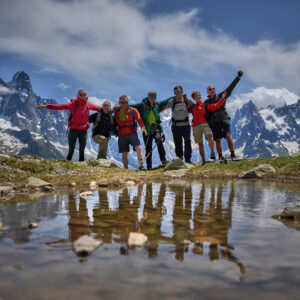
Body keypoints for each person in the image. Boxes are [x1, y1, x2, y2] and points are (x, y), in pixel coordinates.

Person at [37, 89, 100, 161]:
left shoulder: (88, 104)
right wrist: (45, 106)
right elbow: (60, 107)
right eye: (81, 94)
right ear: (78, 96)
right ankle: (68, 163)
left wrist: (108, 109)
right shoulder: (73, 104)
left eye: (84, 95)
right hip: (74, 129)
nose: (83, 96)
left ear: (86, 96)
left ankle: (81, 165)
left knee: (82, 149)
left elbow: (98, 108)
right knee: (71, 149)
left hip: (83, 130)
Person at [204, 71, 243, 161]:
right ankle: (220, 156)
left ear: (215, 90)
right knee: (217, 140)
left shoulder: (222, 95)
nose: (212, 90)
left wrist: (237, 78)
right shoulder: (206, 103)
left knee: (228, 135)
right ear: (207, 92)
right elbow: (206, 114)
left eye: (213, 88)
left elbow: (230, 88)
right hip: (215, 122)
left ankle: (233, 154)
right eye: (210, 89)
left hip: (224, 118)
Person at [130, 91, 173, 170]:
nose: (152, 98)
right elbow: (131, 107)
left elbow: (166, 100)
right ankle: (149, 166)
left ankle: (163, 160)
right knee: (148, 147)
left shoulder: (157, 105)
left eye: (153, 97)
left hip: (156, 127)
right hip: (146, 129)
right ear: (148, 97)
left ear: (156, 98)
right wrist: (122, 106)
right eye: (150, 96)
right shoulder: (142, 105)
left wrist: (175, 96)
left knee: (159, 140)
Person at [190, 91, 227, 164]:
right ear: (194, 98)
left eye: (199, 95)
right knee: (200, 144)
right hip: (195, 127)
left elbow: (215, 106)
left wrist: (222, 99)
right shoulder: (192, 107)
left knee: (210, 137)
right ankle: (203, 160)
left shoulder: (205, 105)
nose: (198, 96)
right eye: (196, 96)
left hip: (205, 124)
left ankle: (212, 152)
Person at [114, 95, 147, 170]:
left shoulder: (133, 110)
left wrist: (142, 127)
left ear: (128, 102)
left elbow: (139, 119)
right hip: (122, 134)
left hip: (132, 133)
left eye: (125, 102)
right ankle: (126, 169)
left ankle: (141, 166)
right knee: (124, 153)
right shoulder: (116, 111)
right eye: (122, 102)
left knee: (138, 148)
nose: (124, 104)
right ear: (119, 102)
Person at [165, 86, 194, 163]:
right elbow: (163, 107)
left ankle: (188, 159)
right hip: (176, 126)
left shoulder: (187, 100)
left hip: (186, 125)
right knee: (178, 143)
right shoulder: (172, 101)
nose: (178, 93)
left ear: (182, 91)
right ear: (174, 93)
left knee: (187, 141)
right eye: (176, 92)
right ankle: (179, 159)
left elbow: (195, 107)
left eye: (179, 91)